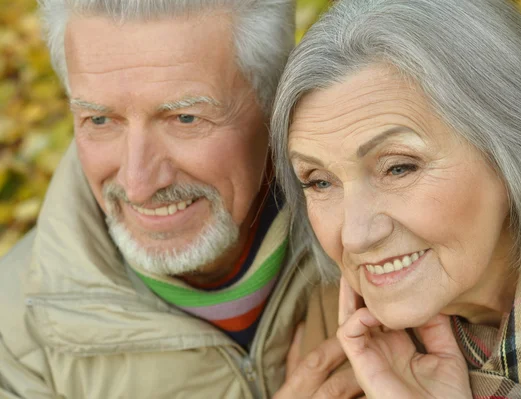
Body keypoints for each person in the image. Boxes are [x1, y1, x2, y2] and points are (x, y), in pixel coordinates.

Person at [0, 1, 363, 398]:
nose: (138, 184)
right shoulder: (14, 333)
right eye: (100, 120)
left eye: (185, 119)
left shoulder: (392, 251)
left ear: (274, 99)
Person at [271, 0, 521, 397]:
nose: (355, 236)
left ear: (514, 150)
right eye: (319, 182)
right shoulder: (337, 342)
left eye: (398, 168)